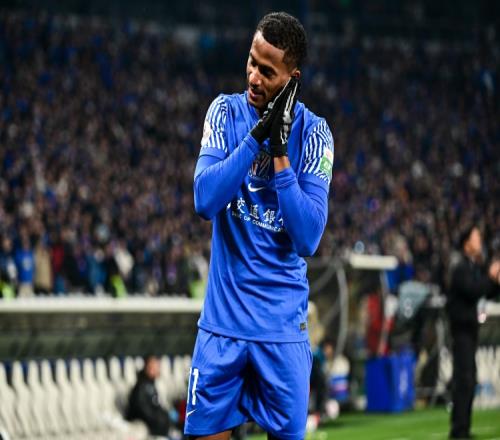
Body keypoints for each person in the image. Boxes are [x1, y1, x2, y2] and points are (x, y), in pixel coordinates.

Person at [185, 12, 334, 440]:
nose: (253, 76)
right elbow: (204, 200)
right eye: (252, 62)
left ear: (292, 79)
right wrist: (255, 139)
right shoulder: (224, 111)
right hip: (222, 330)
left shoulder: (316, 135)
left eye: (267, 72)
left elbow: (308, 237)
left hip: (282, 336)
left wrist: (281, 151)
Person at [447, 225, 500, 439]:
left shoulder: (471, 266)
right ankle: (459, 429)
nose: (480, 241)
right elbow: (474, 290)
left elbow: (484, 290)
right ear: (466, 243)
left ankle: (463, 427)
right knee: (464, 379)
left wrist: (495, 280)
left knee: (469, 379)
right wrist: (491, 277)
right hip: (461, 331)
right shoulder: (460, 267)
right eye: (476, 237)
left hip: (469, 331)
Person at [126, 355, 171, 437]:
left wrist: (166, 416)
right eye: (154, 367)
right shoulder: (141, 387)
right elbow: (143, 411)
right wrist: (160, 421)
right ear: (148, 368)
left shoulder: (150, 385)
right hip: (142, 427)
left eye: (157, 367)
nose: (157, 370)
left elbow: (156, 406)